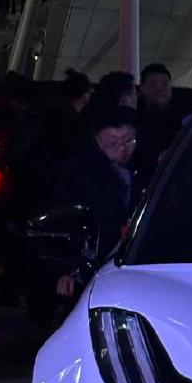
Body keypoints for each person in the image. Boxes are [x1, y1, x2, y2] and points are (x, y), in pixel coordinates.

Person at [50, 104, 139, 300]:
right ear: (98, 141)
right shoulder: (80, 172)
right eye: (113, 143)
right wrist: (65, 270)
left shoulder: (144, 166)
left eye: (128, 141)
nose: (122, 148)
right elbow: (63, 220)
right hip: (94, 265)